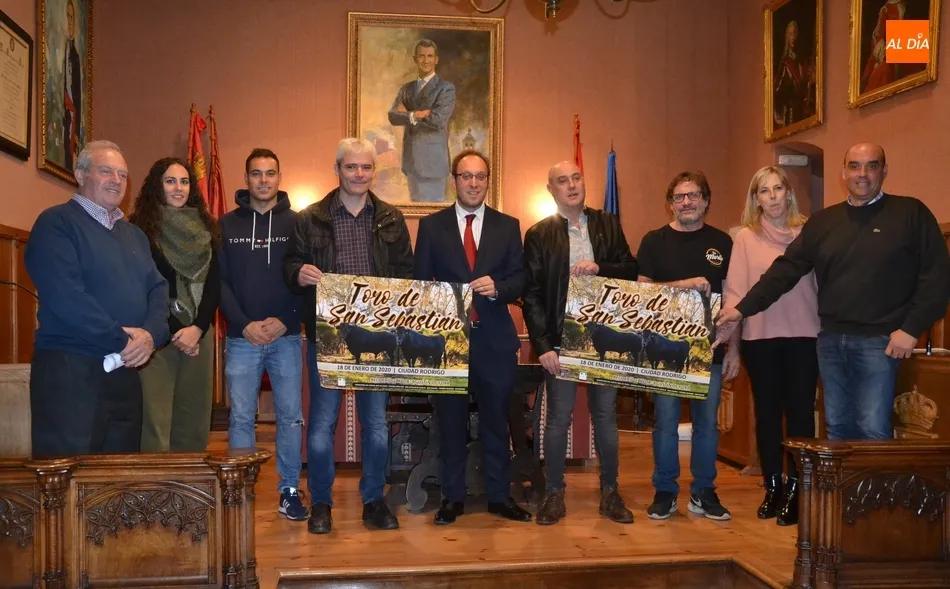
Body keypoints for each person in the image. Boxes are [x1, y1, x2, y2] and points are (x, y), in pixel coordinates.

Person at [717, 143, 950, 441]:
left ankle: (870, 490)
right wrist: (740, 310)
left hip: (880, 342)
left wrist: (911, 328)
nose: (862, 174)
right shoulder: (824, 222)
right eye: (854, 166)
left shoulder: (910, 213)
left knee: (872, 429)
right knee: (836, 429)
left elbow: (937, 277)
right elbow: (785, 270)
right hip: (830, 343)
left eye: (871, 165)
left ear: (884, 170)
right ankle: (842, 491)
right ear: (843, 173)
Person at [283, 138, 413, 534]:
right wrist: (298, 273)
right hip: (329, 337)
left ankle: (373, 500)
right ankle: (321, 502)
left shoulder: (391, 218)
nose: (359, 174)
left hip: (377, 339)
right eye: (351, 167)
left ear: (374, 171)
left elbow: (407, 275)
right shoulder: (310, 218)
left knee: (376, 426)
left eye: (366, 168)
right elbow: (290, 266)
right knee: (322, 425)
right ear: (337, 169)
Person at [25, 140, 169, 458]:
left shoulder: (135, 235)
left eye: (122, 174)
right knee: (68, 485)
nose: (116, 180)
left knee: (117, 484)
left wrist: (149, 336)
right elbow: (66, 297)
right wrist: (123, 340)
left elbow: (158, 290)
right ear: (80, 174)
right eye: (106, 171)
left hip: (126, 374)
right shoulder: (56, 224)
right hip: (71, 372)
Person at [414, 150, 531, 525]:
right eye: (466, 176)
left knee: (497, 422)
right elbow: (419, 286)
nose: (474, 183)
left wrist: (498, 288)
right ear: (454, 180)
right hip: (449, 344)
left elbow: (521, 279)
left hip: (494, 342)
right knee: (451, 424)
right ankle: (452, 498)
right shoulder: (432, 228)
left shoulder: (508, 225)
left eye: (480, 177)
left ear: (487, 181)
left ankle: (499, 498)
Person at [523, 160, 638, 526]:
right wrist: (544, 346)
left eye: (576, 178)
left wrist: (600, 267)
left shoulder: (607, 224)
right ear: (551, 190)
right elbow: (533, 294)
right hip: (560, 340)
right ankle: (554, 494)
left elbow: (630, 269)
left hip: (603, 337)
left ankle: (610, 492)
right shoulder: (539, 234)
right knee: (558, 419)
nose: (571, 185)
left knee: (606, 418)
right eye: (562, 180)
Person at [636, 170, 736, 521]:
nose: (686, 202)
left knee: (707, 424)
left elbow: (733, 301)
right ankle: (665, 491)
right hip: (665, 349)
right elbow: (643, 294)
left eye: (693, 195)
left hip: (710, 351)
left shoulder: (723, 243)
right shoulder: (653, 241)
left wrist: (734, 348)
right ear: (670, 204)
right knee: (664, 422)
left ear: (706, 200)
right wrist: (684, 285)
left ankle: (704, 491)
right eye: (679, 197)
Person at [723, 166, 819, 526]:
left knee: (799, 416)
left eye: (779, 188)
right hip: (760, 338)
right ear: (756, 199)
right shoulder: (745, 238)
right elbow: (735, 293)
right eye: (765, 191)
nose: (774, 196)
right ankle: (773, 487)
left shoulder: (809, 233)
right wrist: (732, 346)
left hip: (804, 337)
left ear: (789, 193)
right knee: (766, 416)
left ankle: (798, 489)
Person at [219, 148, 308, 521]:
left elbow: (309, 280)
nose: (264, 180)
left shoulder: (300, 223)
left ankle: (288, 490)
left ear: (280, 177)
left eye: (270, 173)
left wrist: (287, 320)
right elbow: (219, 282)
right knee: (241, 418)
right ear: (246, 178)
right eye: (256, 174)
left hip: (286, 336)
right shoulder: (225, 224)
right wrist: (243, 325)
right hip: (242, 338)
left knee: (290, 417)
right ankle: (241, 491)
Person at [129, 158, 221, 453]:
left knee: (193, 419)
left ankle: (191, 492)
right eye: (171, 181)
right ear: (158, 185)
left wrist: (198, 328)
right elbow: (144, 286)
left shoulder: (208, 229)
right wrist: (176, 330)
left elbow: (215, 284)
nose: (178, 188)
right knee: (155, 420)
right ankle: (155, 493)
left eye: (184, 181)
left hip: (198, 335)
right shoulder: (139, 229)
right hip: (157, 335)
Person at [387, 38, 456, 202]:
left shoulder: (445, 88)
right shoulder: (406, 89)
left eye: (430, 56)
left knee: (433, 218)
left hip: (433, 164)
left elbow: (438, 120)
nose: (426, 60)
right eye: (422, 56)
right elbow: (392, 116)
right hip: (411, 163)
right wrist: (417, 114)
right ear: (415, 59)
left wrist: (407, 114)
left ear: (436, 59)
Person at [773, 20, 816, 128]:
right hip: (791, 113)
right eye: (791, 34)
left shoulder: (802, 62)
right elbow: (778, 91)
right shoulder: (786, 63)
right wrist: (790, 92)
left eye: (795, 33)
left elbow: (806, 86)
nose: (793, 37)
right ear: (787, 37)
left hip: (803, 112)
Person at [63, 0, 83, 171]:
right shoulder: (65, 50)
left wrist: (76, 133)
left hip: (72, 120)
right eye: (67, 17)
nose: (69, 22)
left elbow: (77, 97)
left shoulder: (75, 56)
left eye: (72, 18)